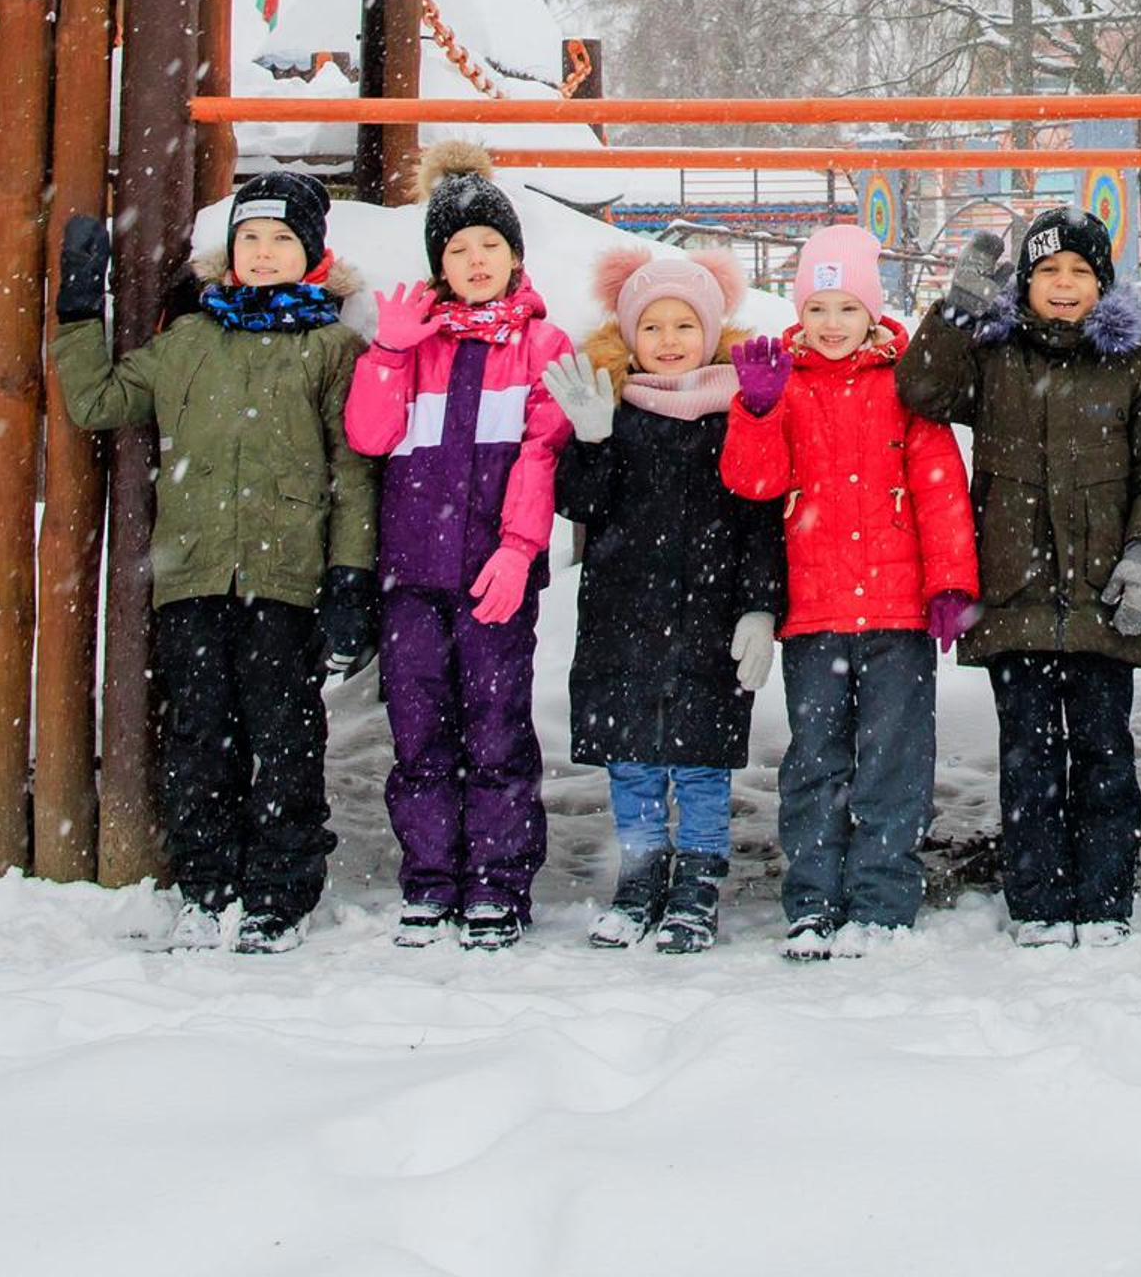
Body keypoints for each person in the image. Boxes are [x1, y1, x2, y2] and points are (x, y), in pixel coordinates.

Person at [51, 175, 375, 953]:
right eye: (250, 239)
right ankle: (208, 885)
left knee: (285, 739)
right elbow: (96, 402)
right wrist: (77, 311)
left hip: (287, 581)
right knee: (200, 739)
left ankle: (279, 893)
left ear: (312, 254)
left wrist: (350, 576)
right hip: (194, 577)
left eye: (282, 240)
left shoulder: (332, 348)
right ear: (229, 252)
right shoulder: (189, 342)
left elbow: (353, 471)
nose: (263, 253)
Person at [896, 206, 1141, 947]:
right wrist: (957, 313)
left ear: (1102, 285)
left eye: (1080, 271)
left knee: (1104, 755)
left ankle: (1104, 896)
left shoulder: (1129, 366)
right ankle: (1040, 901)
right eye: (1048, 270)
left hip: (1102, 599)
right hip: (1014, 596)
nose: (1063, 283)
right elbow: (921, 390)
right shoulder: (994, 355)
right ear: (1023, 282)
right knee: (1029, 761)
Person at [718, 221, 978, 959]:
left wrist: (950, 582)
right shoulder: (786, 386)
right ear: (798, 312)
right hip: (815, 613)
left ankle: (882, 900)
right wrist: (758, 412)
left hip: (897, 615)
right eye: (817, 309)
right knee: (816, 762)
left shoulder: (904, 386)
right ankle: (812, 900)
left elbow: (940, 490)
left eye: (847, 309)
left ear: (873, 312)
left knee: (894, 762)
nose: (831, 325)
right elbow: (754, 482)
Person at [344, 141, 573, 949]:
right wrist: (387, 352)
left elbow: (540, 455)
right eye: (457, 249)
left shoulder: (542, 346)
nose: (475, 261)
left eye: (489, 245)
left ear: (515, 256)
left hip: (493, 577)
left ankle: (497, 886)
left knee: (497, 730)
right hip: (413, 576)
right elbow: (370, 437)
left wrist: (517, 550)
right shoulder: (415, 343)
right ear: (438, 264)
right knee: (419, 734)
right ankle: (432, 880)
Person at [549, 244, 788, 955]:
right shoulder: (616, 410)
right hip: (624, 620)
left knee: (701, 765)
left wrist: (759, 607)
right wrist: (591, 440)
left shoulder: (736, 413)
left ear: (711, 332)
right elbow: (579, 504)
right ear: (629, 336)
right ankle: (639, 879)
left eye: (685, 325)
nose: (669, 340)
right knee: (633, 762)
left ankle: (697, 884)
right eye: (652, 327)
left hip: (708, 621)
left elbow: (759, 518)